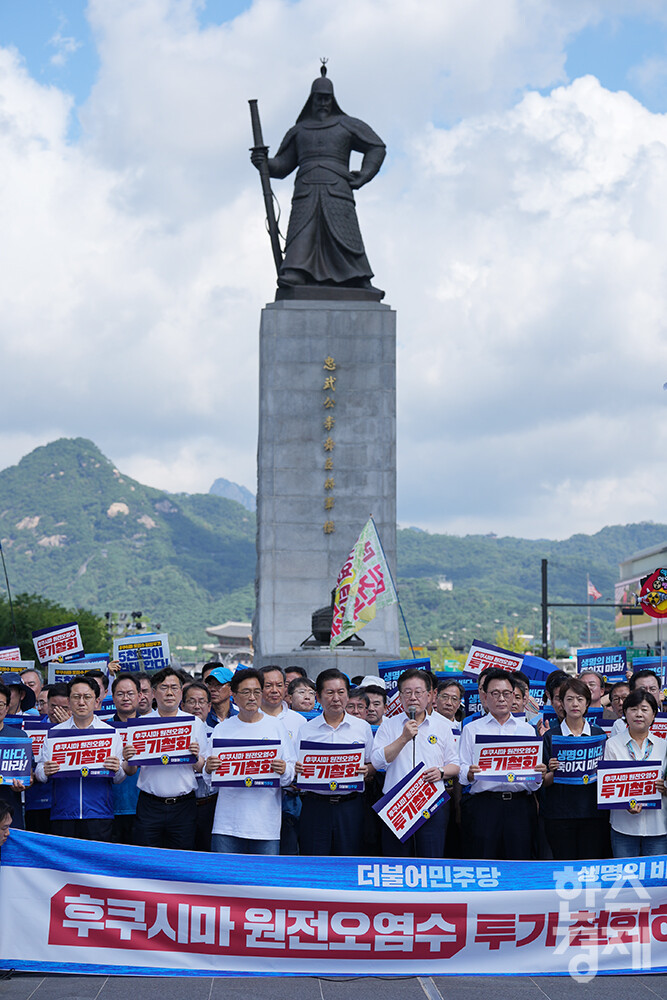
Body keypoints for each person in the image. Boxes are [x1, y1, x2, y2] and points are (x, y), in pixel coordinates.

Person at [251, 65, 386, 293]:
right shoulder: (300, 130)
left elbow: (376, 147)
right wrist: (263, 161)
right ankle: (295, 271)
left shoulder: (347, 124)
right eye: (319, 98)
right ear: (311, 100)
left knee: (345, 235)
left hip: (338, 189)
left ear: (333, 100)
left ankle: (357, 277)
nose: (323, 103)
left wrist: (364, 175)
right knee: (302, 231)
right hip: (306, 190)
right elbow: (283, 165)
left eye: (327, 98)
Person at [205, 668, 295, 855]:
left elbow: (290, 774)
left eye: (256, 692)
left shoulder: (276, 727)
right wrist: (208, 768)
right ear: (234, 696)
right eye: (246, 692)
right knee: (225, 879)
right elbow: (210, 782)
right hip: (227, 824)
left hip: (265, 825)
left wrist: (284, 769)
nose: (252, 697)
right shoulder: (223, 729)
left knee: (263, 882)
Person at [459, 669, 546, 859]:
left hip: (520, 807)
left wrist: (538, 774)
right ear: (485, 696)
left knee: (520, 861)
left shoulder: (526, 731)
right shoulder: (472, 729)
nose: (501, 698)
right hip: (484, 806)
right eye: (495, 693)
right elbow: (462, 773)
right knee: (484, 861)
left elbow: (532, 782)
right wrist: (470, 773)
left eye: (507, 694)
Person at [372, 668, 459, 857]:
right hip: (397, 805)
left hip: (431, 801)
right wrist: (403, 738)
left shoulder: (442, 727)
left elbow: (455, 764)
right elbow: (377, 761)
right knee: (397, 861)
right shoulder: (389, 725)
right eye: (407, 692)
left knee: (431, 859)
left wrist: (442, 772)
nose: (413, 697)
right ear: (400, 697)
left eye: (418, 692)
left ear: (429, 696)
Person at [126, 667, 208, 850]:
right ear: (154, 693)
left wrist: (196, 757)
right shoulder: (142, 724)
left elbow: (202, 767)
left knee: (181, 860)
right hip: (150, 805)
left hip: (184, 806)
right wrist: (127, 758)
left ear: (181, 692)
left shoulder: (194, 723)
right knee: (147, 859)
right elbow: (131, 770)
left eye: (174, 687)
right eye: (163, 688)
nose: (169, 693)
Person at [35, 677, 124, 842]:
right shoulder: (54, 734)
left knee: (96, 863)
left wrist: (118, 768)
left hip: (99, 813)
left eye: (87, 697)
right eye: (76, 697)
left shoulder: (110, 733)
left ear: (97, 701)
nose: (81, 702)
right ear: (69, 701)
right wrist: (44, 771)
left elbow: (119, 778)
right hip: (63, 813)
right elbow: (39, 773)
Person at [296, 668, 373, 856]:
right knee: (314, 862)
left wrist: (366, 770)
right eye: (329, 693)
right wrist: (296, 769)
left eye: (341, 692)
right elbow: (294, 770)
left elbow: (372, 765)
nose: (336, 698)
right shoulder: (306, 729)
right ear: (318, 697)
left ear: (348, 695)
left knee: (349, 861)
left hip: (350, 806)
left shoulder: (362, 728)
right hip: (315, 806)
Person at [541, 677, 609, 859]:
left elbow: (606, 775)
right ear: (561, 703)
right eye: (569, 699)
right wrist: (552, 771)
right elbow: (544, 783)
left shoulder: (598, 734)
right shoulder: (551, 736)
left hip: (593, 814)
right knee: (565, 865)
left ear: (587, 703)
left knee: (590, 865)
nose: (574, 704)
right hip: (559, 816)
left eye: (580, 699)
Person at [604, 688, 667, 857]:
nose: (639, 714)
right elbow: (608, 787)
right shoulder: (612, 744)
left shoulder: (664, 745)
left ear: (654, 715)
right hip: (623, 826)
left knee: (654, 881)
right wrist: (625, 805)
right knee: (626, 879)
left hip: (658, 827)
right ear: (625, 713)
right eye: (633, 709)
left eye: (645, 709)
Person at [183, 681, 219, 851]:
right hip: (183, 805)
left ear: (209, 705)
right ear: (182, 705)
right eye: (191, 701)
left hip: (212, 804)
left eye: (202, 701)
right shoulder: (173, 733)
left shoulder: (220, 734)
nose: (197, 706)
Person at [110, 673, 141, 844]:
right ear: (113, 697)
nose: (125, 698)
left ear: (139, 696)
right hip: (111, 808)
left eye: (130, 693)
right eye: (120, 694)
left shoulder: (150, 727)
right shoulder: (103, 729)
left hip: (142, 808)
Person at [0, 682, 30, 830]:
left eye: (0, 704)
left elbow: (28, 776)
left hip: (11, 813)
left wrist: (23, 785)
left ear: (6, 708)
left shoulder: (19, 737)